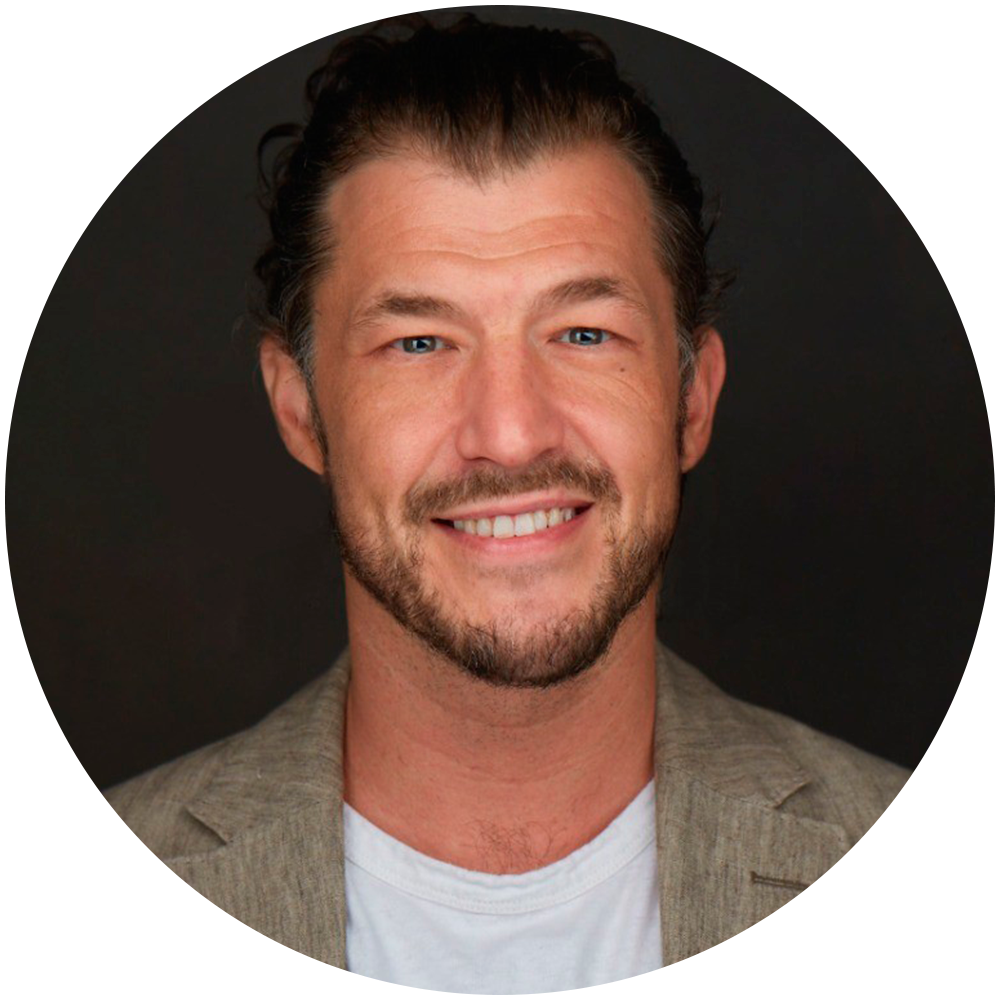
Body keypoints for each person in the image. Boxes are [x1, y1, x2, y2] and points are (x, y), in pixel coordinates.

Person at [101, 12, 913, 992]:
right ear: (301, 410)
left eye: (583, 333)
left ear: (692, 399)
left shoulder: (931, 889)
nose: (513, 431)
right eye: (418, 343)